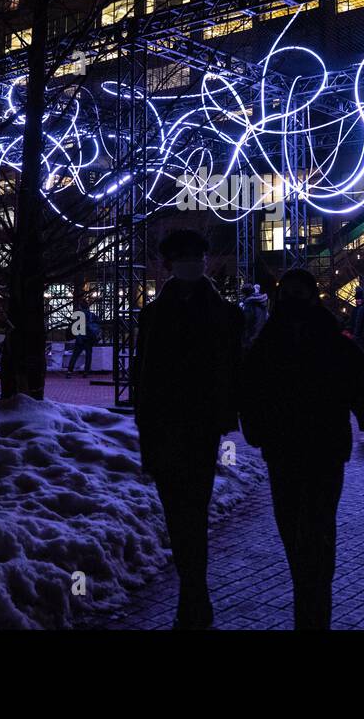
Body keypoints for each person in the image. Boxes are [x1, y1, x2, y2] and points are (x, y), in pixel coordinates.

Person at [242, 269, 364, 630]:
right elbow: (250, 394)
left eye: (301, 293)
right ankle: (310, 601)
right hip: (286, 452)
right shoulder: (270, 346)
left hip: (321, 453)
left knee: (315, 530)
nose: (294, 301)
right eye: (290, 294)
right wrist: (254, 429)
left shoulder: (325, 345)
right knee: (296, 532)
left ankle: (312, 609)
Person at [133, 229, 243, 629]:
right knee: (180, 515)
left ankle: (193, 595)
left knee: (190, 514)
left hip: (197, 429)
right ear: (167, 265)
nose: (188, 263)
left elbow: (234, 371)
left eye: (193, 256)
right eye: (182, 256)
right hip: (165, 428)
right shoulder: (155, 315)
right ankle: (193, 594)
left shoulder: (225, 314)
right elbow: (143, 378)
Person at [65, 304, 102, 377]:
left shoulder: (78, 315)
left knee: (75, 356)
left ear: (81, 307)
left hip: (80, 338)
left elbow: (73, 327)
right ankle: (86, 372)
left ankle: (70, 371)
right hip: (89, 339)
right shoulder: (92, 315)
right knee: (88, 356)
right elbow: (99, 323)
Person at [239, 283, 269, 351]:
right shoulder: (262, 301)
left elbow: (247, 321)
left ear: (245, 293)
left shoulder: (250, 303)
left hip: (252, 338)